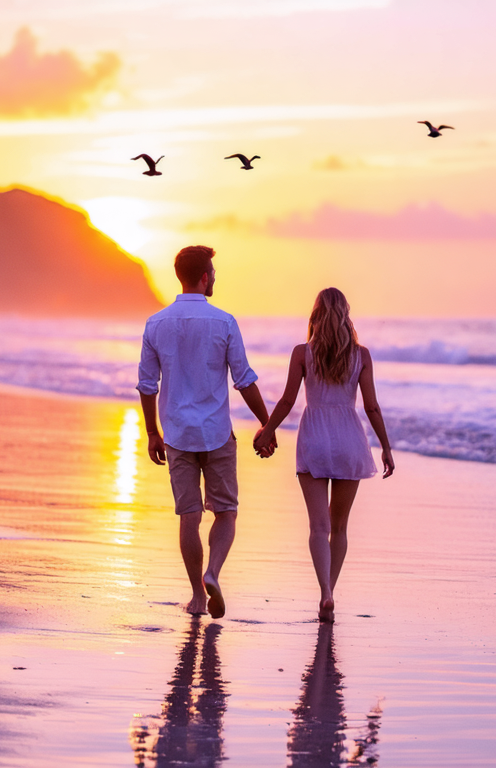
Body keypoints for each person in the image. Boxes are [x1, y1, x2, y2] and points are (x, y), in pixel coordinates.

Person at [137, 245, 271, 619]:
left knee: (189, 516)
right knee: (226, 511)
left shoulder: (156, 323)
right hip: (216, 434)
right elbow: (244, 380)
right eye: (213, 271)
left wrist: (152, 433)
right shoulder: (224, 322)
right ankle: (213, 572)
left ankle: (197, 595)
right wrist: (266, 424)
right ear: (205, 277)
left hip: (177, 435)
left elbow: (147, 386)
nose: (215, 276)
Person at [253, 288, 395, 623]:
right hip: (349, 439)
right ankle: (329, 592)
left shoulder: (302, 353)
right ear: (346, 314)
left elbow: (288, 400)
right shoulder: (361, 355)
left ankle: (325, 593)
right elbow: (372, 406)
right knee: (339, 526)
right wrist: (386, 446)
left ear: (316, 314)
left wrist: (268, 431)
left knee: (318, 525)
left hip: (314, 437)